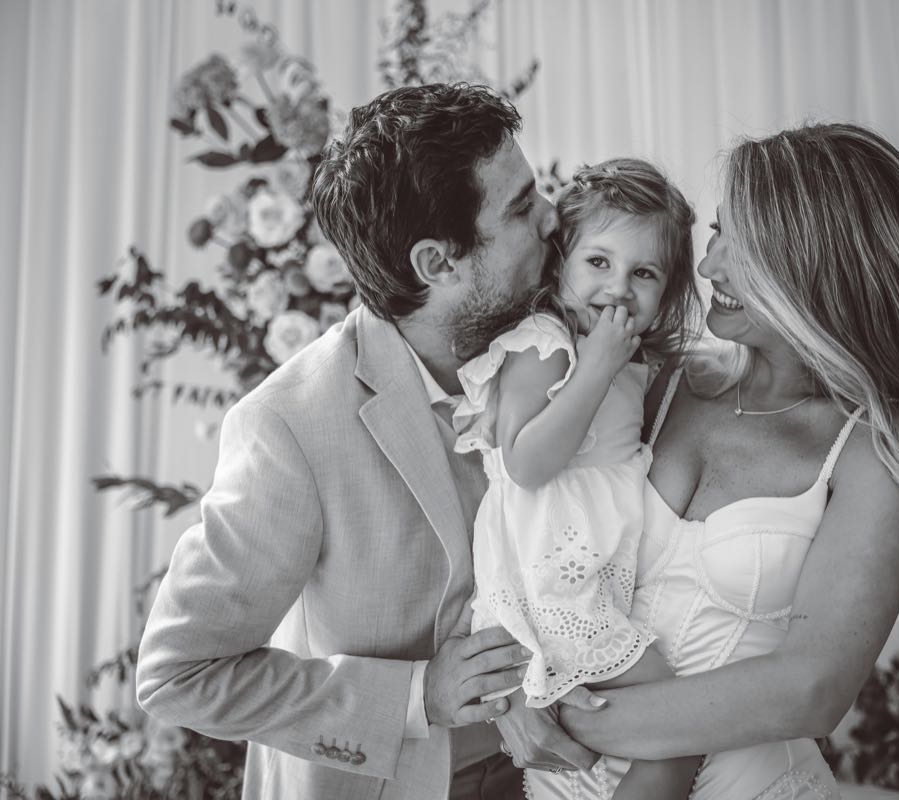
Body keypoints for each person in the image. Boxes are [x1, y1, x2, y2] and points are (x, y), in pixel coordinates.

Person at [136, 83, 598, 800]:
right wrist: (419, 695)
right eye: (519, 207)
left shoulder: (573, 335)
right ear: (437, 264)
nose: (552, 216)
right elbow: (178, 674)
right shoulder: (290, 425)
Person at [514, 123, 899, 799]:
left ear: (817, 266)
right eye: (717, 233)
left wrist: (562, 714)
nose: (708, 267)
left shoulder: (878, 444)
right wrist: (510, 696)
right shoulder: (651, 380)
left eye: (743, 248)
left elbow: (812, 688)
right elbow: (526, 534)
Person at [452, 159, 702, 798]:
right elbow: (525, 464)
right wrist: (593, 369)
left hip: (589, 571)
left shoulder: (628, 359)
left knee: (646, 735)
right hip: (550, 581)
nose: (618, 287)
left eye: (644, 273)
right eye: (599, 262)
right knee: (674, 720)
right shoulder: (546, 343)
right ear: (560, 260)